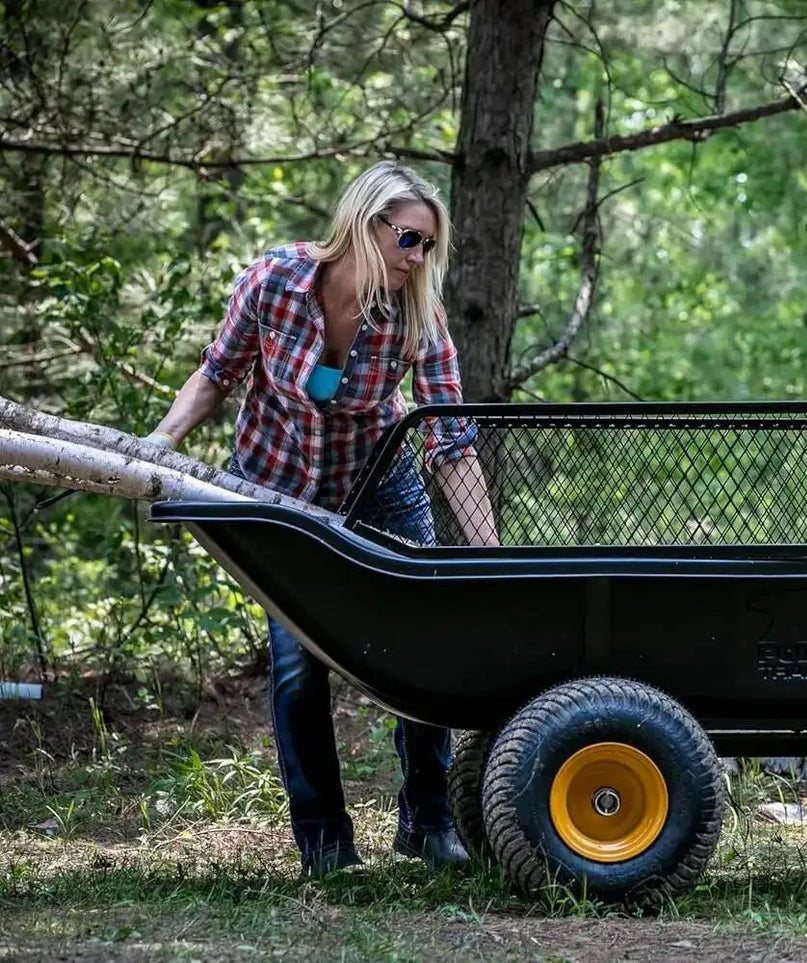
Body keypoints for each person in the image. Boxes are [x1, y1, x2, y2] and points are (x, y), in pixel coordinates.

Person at [145, 160, 498, 877]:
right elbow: (218, 372)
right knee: (298, 663)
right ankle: (325, 843)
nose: (417, 258)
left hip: (378, 485)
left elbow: (451, 440)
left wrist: (490, 557)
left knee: (421, 642)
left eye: (428, 245)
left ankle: (427, 821)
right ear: (364, 226)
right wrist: (156, 445)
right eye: (407, 239)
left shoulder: (415, 312)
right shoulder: (274, 281)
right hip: (277, 492)